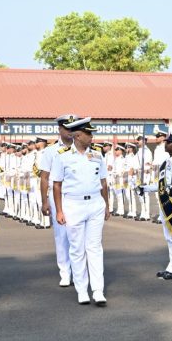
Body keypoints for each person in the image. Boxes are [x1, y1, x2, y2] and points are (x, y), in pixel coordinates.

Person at [52, 117, 111, 306]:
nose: (91, 137)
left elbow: (103, 183)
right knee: (77, 249)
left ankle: (98, 290)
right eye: (88, 133)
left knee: (94, 248)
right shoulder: (62, 156)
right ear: (77, 135)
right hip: (73, 205)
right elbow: (56, 185)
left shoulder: (97, 155)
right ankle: (81, 290)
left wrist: (106, 205)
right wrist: (59, 211)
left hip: (95, 203)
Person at [142, 130, 172, 279]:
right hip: (165, 202)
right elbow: (161, 184)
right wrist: (145, 188)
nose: (165, 144)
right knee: (169, 237)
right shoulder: (166, 162)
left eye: (168, 142)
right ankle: (171, 266)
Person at [41, 115, 76, 287]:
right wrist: (44, 201)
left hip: (77, 198)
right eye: (67, 128)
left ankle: (78, 272)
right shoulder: (50, 151)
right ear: (59, 129)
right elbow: (44, 177)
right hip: (58, 197)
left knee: (77, 236)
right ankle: (65, 272)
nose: (70, 131)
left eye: (73, 128)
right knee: (61, 237)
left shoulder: (83, 149)